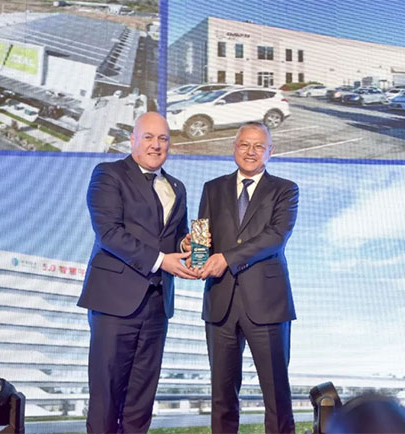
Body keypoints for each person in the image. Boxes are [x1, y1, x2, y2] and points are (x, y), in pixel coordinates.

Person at [78, 112, 198, 433]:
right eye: (148, 137)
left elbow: (175, 237)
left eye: (163, 139)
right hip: (114, 302)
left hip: (158, 304)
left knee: (142, 399)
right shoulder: (108, 174)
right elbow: (109, 233)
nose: (156, 145)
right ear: (132, 139)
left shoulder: (177, 187)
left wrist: (186, 244)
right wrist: (161, 260)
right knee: (106, 395)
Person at [197, 121, 299, 433]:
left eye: (258, 146)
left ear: (270, 151)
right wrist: (193, 251)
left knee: (276, 394)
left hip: (267, 304)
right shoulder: (212, 188)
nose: (250, 152)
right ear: (234, 147)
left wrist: (227, 258)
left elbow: (275, 237)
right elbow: (202, 238)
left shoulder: (285, 190)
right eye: (244, 144)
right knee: (222, 396)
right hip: (220, 302)